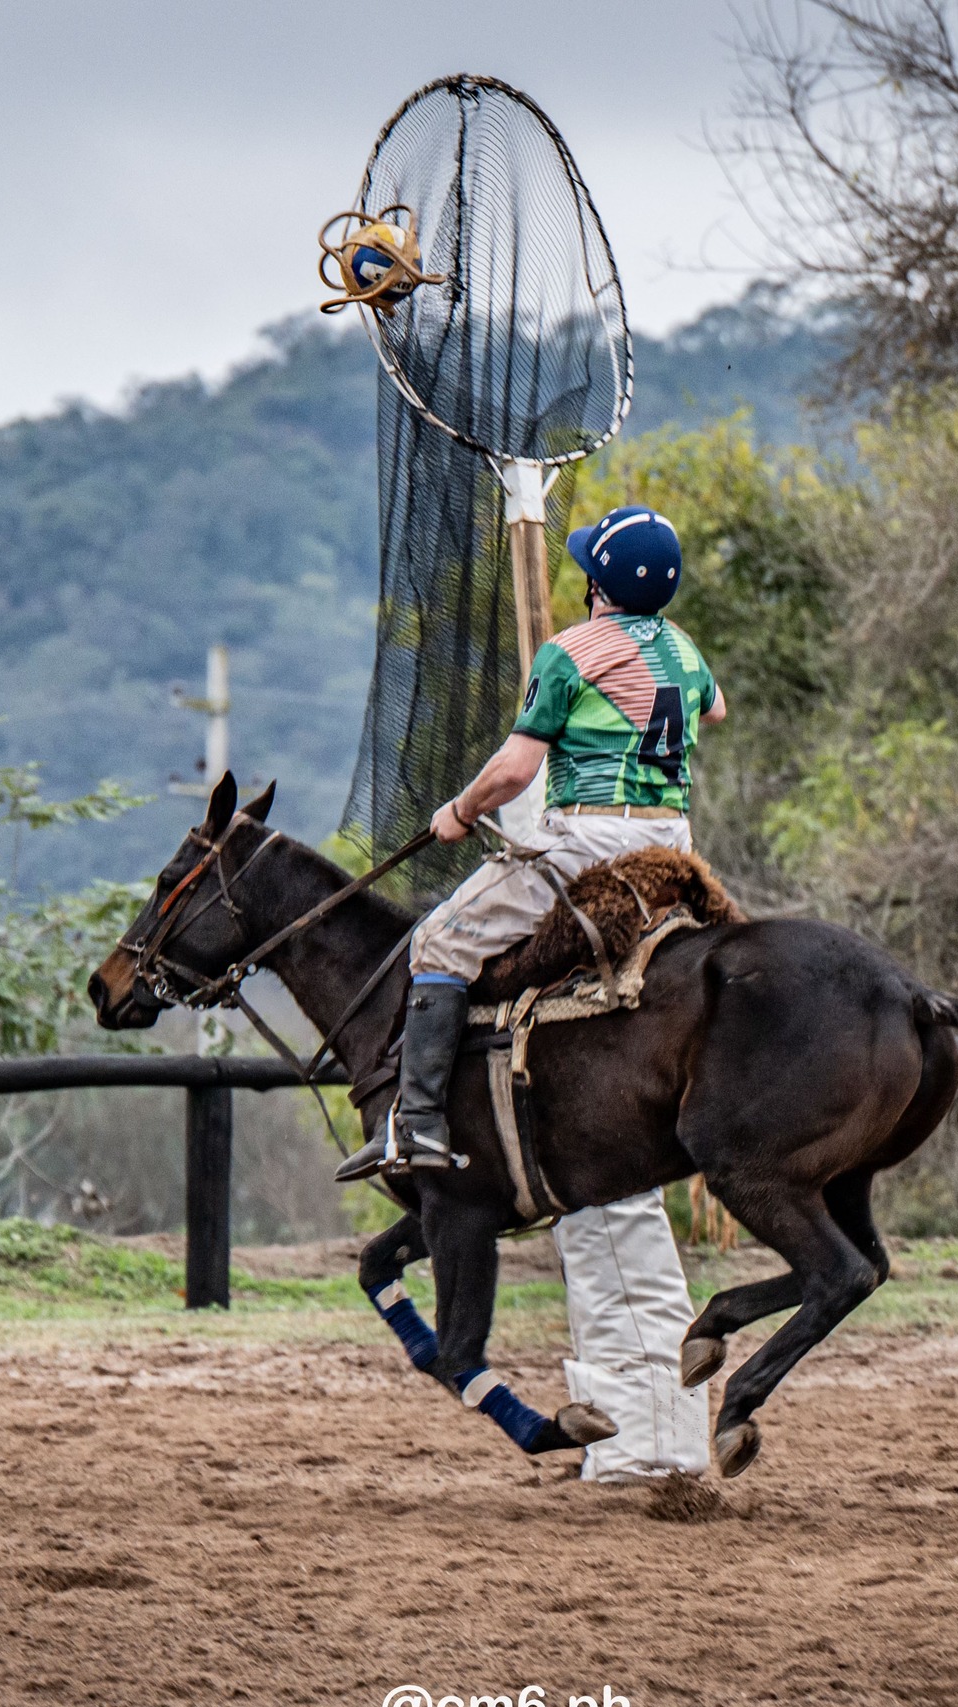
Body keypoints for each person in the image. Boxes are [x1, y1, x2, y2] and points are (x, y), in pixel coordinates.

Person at [341, 503, 728, 1479]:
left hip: (586, 843)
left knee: (440, 939)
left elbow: (516, 767)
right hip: (669, 848)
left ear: (599, 581)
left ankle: (418, 1123)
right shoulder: (682, 650)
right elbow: (710, 712)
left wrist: (457, 811)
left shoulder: (568, 648)